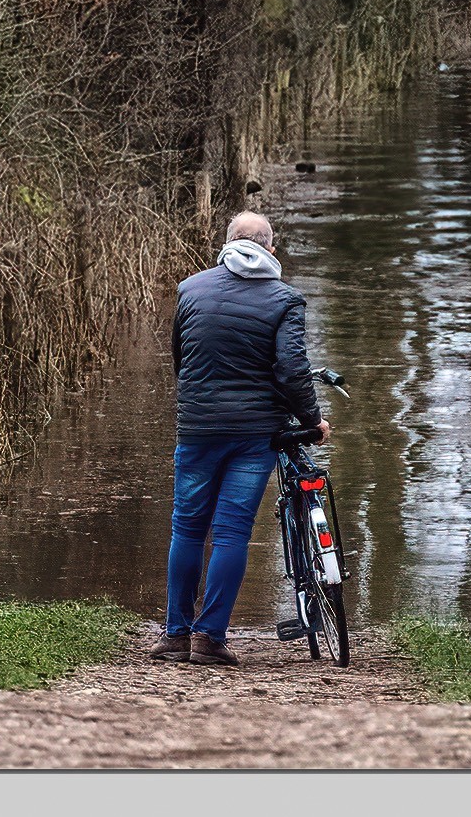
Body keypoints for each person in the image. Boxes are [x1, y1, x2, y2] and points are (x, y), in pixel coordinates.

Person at [150, 210, 330, 665]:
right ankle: (209, 639)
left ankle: (175, 635)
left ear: (227, 243)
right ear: (271, 248)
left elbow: (181, 360)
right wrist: (313, 419)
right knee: (231, 531)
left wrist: (200, 404)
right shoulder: (285, 299)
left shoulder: (190, 289)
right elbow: (292, 371)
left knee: (187, 527)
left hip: (197, 428)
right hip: (254, 435)